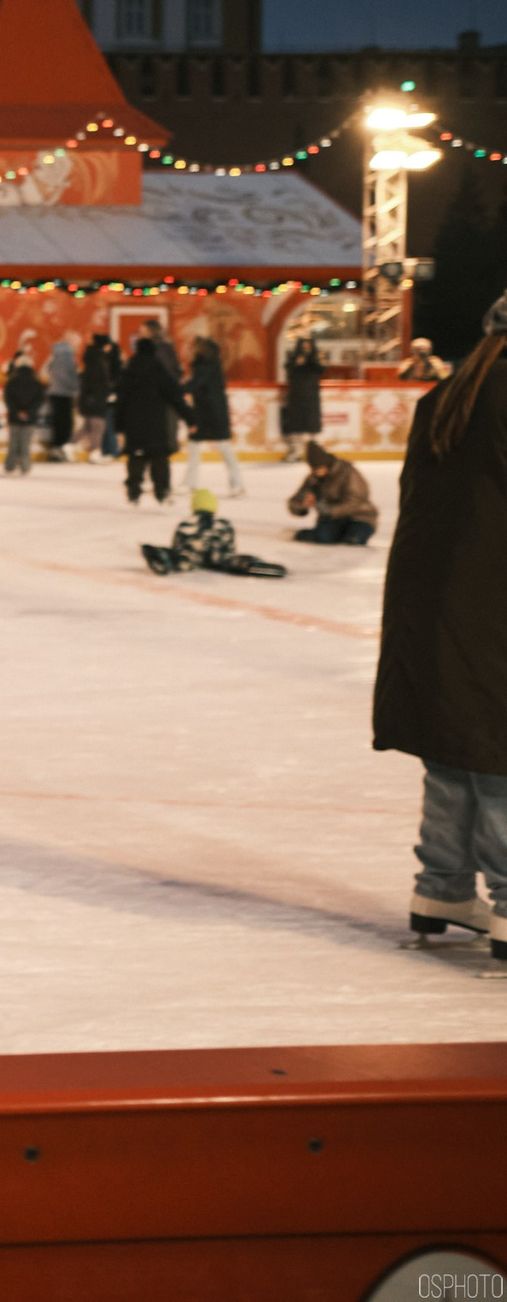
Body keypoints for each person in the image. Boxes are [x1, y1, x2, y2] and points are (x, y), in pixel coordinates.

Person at [372, 291, 507, 956]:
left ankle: (443, 884)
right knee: (499, 744)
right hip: (493, 595)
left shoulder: (446, 395)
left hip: (431, 597)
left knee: (455, 743)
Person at [141, 487, 284, 578]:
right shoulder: (223, 524)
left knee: (180, 558)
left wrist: (175, 553)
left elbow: (177, 545)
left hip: (192, 556)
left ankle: (162, 557)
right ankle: (249, 563)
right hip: (218, 556)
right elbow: (230, 546)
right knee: (229, 559)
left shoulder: (186, 523)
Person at [115, 334, 189, 505]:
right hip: (155, 423)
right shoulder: (159, 370)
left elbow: (121, 400)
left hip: (134, 424)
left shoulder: (129, 370)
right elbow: (175, 397)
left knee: (136, 457)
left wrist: (119, 425)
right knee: (159, 458)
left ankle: (134, 492)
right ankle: (161, 492)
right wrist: (190, 418)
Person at [182, 336, 247, 498]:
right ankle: (190, 482)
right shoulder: (207, 364)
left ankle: (237, 484)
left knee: (221, 446)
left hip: (211, 411)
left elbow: (196, 384)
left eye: (193, 347)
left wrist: (176, 390)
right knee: (196, 446)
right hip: (207, 410)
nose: (190, 349)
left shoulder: (206, 366)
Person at [288, 440, 378, 544]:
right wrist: (302, 505)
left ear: (327, 463)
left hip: (360, 517)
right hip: (332, 520)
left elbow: (356, 500)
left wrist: (330, 510)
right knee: (323, 538)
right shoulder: (313, 479)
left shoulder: (348, 472)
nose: (318, 472)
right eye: (314, 469)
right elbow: (294, 502)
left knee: (354, 539)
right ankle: (310, 534)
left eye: (320, 468)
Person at [280, 334, 325, 462]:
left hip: (311, 397)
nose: (306, 349)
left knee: (312, 428)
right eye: (303, 347)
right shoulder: (293, 359)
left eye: (308, 347)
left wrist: (313, 360)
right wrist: (297, 363)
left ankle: (316, 454)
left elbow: (322, 368)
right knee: (295, 426)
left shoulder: (315, 360)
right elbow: (288, 368)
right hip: (296, 396)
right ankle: (296, 453)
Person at [78, 332, 119, 463]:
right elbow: (97, 381)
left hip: (93, 397)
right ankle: (95, 451)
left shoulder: (93, 358)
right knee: (98, 426)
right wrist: (103, 394)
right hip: (96, 397)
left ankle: (70, 445)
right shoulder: (97, 360)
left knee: (89, 426)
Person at [1, 351, 44, 476]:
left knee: (13, 443)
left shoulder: (12, 381)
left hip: (14, 417)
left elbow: (8, 399)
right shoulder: (36, 382)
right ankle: (25, 466)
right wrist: (29, 412)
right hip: (30, 418)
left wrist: (16, 411)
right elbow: (39, 400)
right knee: (25, 444)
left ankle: (10, 465)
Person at [42, 335, 80, 461]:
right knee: (66, 423)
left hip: (54, 392)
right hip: (65, 394)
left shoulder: (54, 355)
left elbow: (44, 371)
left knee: (58, 423)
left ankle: (56, 449)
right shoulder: (69, 358)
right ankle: (61, 448)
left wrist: (53, 382)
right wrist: (76, 389)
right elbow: (71, 377)